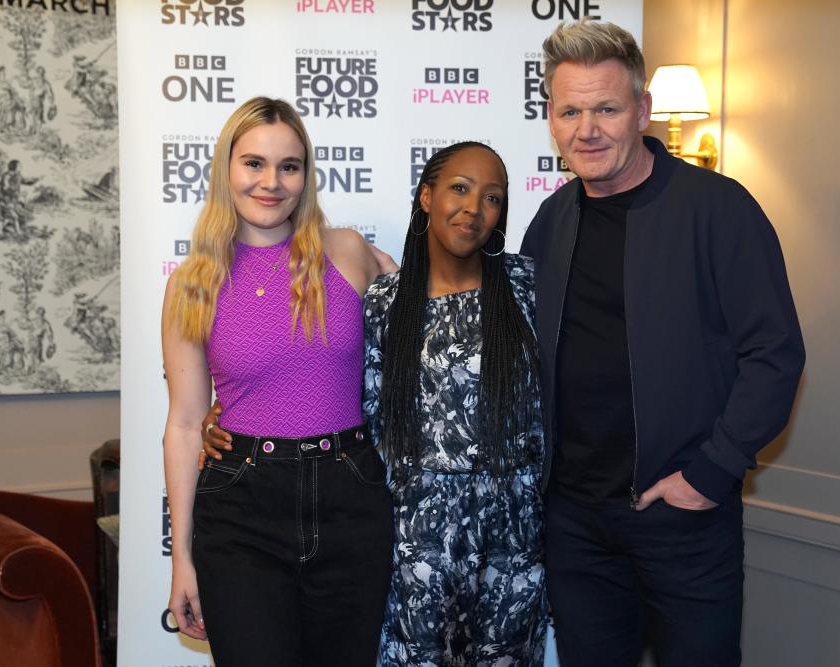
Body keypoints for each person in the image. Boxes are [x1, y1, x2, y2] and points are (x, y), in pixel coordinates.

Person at [518, 19, 805, 667]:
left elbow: (775, 353)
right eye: (570, 111)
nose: (586, 128)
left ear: (642, 111)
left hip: (684, 519)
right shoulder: (553, 219)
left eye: (606, 109)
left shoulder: (718, 208)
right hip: (575, 525)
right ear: (551, 119)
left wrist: (710, 471)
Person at [162, 96, 394, 666]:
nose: (271, 182)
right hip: (242, 508)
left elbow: (434, 317)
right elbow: (186, 423)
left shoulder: (346, 253)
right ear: (226, 170)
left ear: (306, 177)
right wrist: (182, 560)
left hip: (351, 500)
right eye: (254, 164)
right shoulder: (192, 285)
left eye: (289, 166)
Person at [366, 142, 547, 665]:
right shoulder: (385, 302)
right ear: (426, 196)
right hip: (416, 537)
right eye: (460, 189)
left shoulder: (528, 286)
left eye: (492, 197)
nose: (474, 208)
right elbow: (352, 405)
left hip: (514, 530)